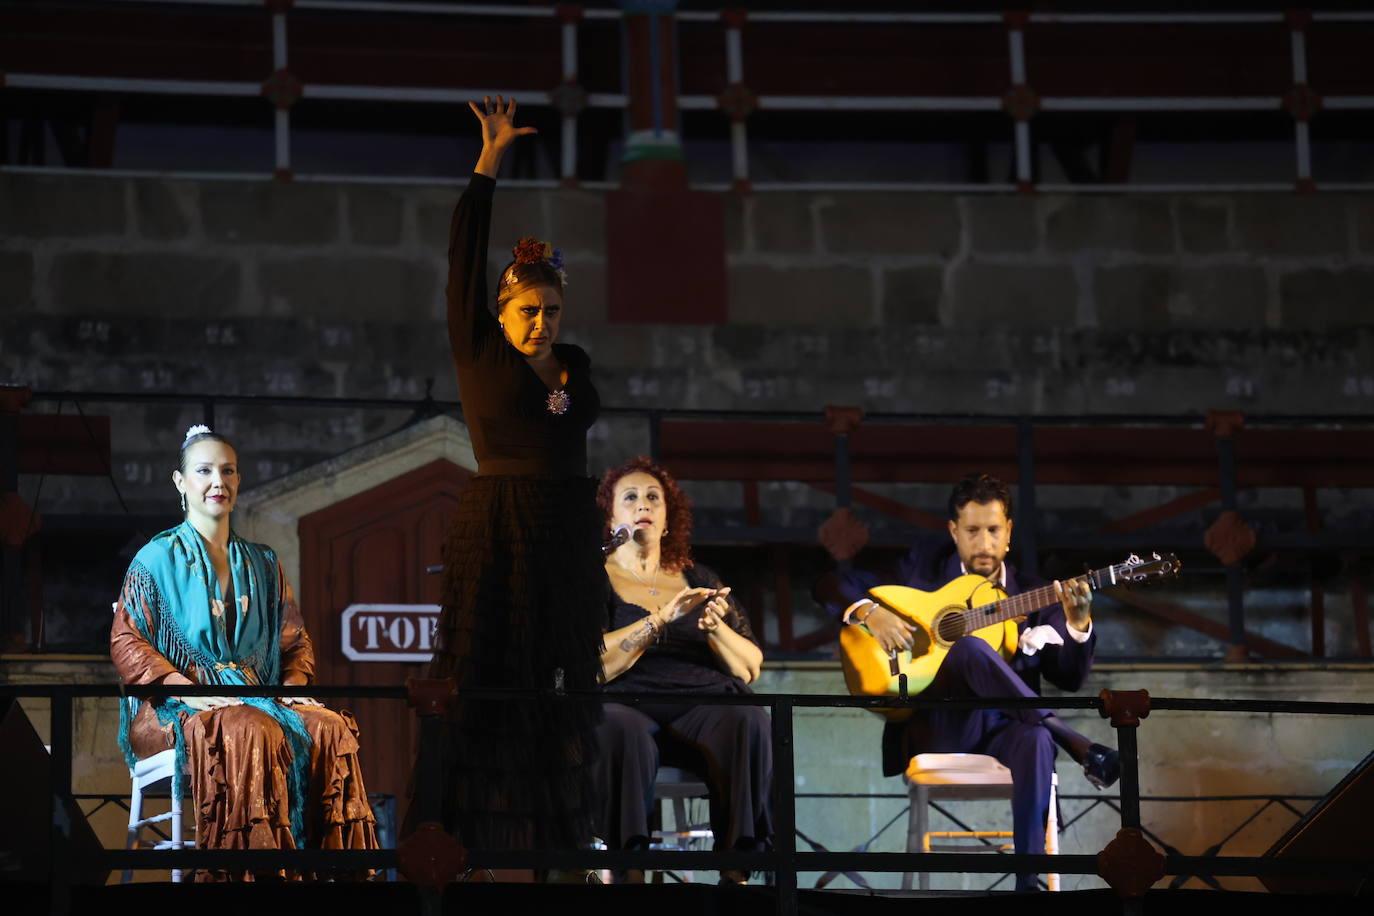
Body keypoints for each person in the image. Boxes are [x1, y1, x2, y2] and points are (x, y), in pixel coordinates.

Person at [425, 95, 605, 857]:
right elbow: (464, 259)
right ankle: (445, 841)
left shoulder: (578, 367)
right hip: (498, 520)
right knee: (478, 674)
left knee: (558, 683)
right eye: (529, 309)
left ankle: (562, 851)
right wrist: (489, 161)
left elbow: (575, 417)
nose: (542, 322)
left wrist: (558, 374)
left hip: (562, 528)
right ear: (502, 311)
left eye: (553, 310)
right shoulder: (479, 350)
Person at [110, 425, 377, 880]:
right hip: (173, 708)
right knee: (249, 726)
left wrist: (291, 689)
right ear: (181, 482)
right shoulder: (154, 558)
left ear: (239, 479)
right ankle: (248, 879)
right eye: (204, 471)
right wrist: (185, 690)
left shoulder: (264, 562)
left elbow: (295, 642)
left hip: (262, 699)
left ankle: (333, 878)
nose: (218, 481)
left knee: (330, 728)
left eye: (228, 471)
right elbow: (127, 642)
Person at [831, 472, 1118, 892]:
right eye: (972, 530)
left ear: (1009, 533)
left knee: (1036, 740)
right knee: (967, 648)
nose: (983, 543)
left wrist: (1077, 624)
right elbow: (831, 583)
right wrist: (868, 612)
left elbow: (1071, 678)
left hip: (1005, 731)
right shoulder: (921, 572)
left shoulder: (1035, 593)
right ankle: (1072, 739)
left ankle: (1028, 884)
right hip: (941, 726)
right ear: (953, 531)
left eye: (993, 530)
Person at [594, 456, 772, 885]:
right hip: (628, 700)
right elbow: (595, 665)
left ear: (668, 518)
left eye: (654, 497)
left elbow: (750, 668)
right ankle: (629, 868)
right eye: (631, 497)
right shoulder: (596, 577)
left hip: (699, 703)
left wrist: (714, 631)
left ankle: (737, 870)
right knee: (619, 727)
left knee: (749, 718)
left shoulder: (698, 575)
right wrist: (661, 619)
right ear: (612, 516)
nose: (644, 505)